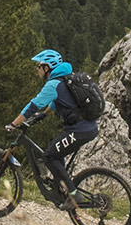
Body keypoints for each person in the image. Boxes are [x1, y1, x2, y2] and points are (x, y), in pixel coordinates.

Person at [9, 49, 98, 204]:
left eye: (39, 66)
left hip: (78, 130)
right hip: (88, 127)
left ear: (46, 68)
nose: (37, 69)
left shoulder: (53, 84)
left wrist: (14, 123)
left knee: (49, 156)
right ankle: (61, 189)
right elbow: (58, 102)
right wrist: (44, 114)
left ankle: (73, 194)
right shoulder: (65, 79)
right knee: (54, 149)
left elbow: (33, 105)